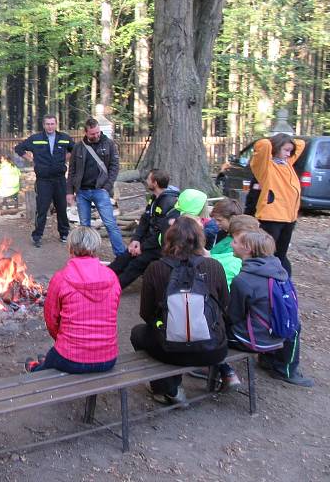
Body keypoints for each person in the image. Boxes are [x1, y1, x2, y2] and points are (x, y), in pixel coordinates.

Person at [130, 217, 229, 404]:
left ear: (168, 239)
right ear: (201, 240)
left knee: (138, 333)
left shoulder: (155, 268)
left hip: (170, 349)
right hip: (213, 348)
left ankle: (168, 388)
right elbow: (224, 305)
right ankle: (222, 374)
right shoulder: (214, 266)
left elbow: (146, 313)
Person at [25, 226, 121, 374]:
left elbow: (51, 319)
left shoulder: (61, 278)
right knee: (53, 356)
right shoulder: (112, 277)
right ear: (95, 248)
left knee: (53, 358)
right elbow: (112, 311)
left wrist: (62, 339)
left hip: (71, 358)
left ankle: (34, 368)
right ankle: (49, 359)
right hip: (107, 359)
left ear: (70, 249)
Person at [231, 230, 313, 387]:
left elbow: (234, 316)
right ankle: (282, 366)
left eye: (235, 242)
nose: (231, 245)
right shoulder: (280, 271)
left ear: (247, 248)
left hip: (255, 340)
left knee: (215, 331)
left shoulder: (243, 280)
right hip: (283, 331)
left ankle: (223, 373)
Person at [108, 169, 179, 289]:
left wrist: (142, 247)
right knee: (125, 256)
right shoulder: (154, 198)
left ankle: (114, 288)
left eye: (148, 179)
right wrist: (136, 240)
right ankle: (103, 277)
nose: (146, 182)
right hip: (147, 241)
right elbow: (145, 220)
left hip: (159, 245)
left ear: (155, 183)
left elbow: (161, 234)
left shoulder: (168, 203)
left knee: (137, 263)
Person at [66, 118, 124, 257]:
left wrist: (107, 186)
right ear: (85, 133)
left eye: (98, 132)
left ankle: (121, 255)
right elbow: (72, 171)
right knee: (84, 227)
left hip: (101, 190)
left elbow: (114, 167)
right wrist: (69, 191)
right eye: (92, 134)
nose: (96, 135)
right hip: (82, 192)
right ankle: (86, 256)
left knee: (110, 224)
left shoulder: (109, 144)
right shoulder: (78, 147)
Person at [249, 133, 305, 276]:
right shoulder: (266, 167)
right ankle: (266, 283)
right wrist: (274, 141)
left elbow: (301, 144)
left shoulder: (287, 164)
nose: (289, 154)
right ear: (276, 148)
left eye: (290, 151)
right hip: (271, 218)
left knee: (281, 255)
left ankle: (282, 286)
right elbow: (263, 145)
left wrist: (287, 142)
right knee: (267, 255)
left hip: (288, 218)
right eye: (286, 150)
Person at [15, 115, 73, 247]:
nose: (50, 126)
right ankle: (37, 236)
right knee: (42, 209)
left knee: (62, 208)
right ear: (43, 125)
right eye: (47, 124)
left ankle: (64, 234)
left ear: (56, 124)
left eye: (52, 124)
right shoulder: (36, 139)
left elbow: (74, 149)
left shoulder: (64, 138)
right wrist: (31, 159)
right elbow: (19, 148)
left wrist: (65, 158)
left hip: (59, 179)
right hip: (43, 180)